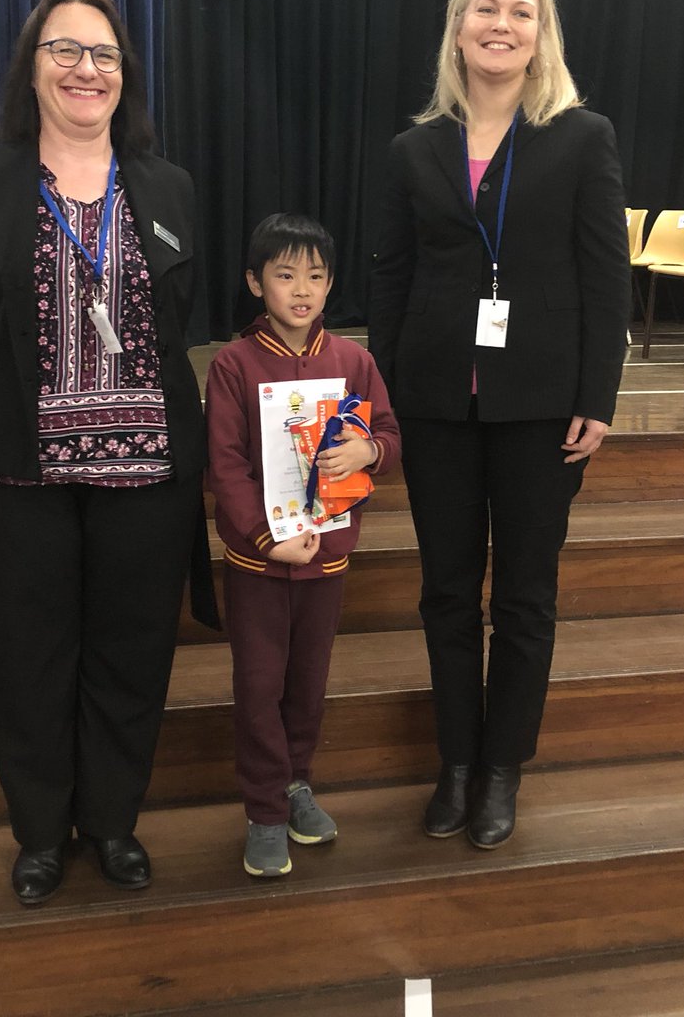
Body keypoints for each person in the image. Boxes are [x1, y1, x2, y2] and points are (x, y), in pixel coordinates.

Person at [0, 0, 217, 905]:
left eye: (105, 56)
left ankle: (113, 822)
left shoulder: (167, 187)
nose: (87, 70)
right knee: (24, 658)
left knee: (131, 654)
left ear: (124, 76)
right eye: (66, 51)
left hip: (146, 476)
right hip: (14, 472)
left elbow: (178, 319)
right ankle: (42, 834)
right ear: (33, 66)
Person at [368, 0, 630, 849]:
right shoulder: (414, 149)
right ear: (460, 27)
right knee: (446, 595)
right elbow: (393, 278)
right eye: (486, 8)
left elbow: (605, 275)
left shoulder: (581, 137)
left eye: (521, 12)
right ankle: (455, 764)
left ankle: (503, 769)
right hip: (438, 404)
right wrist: (387, 396)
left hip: (542, 406)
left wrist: (599, 395)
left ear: (539, 35)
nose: (502, 23)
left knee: (524, 597)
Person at [206, 213, 400, 877]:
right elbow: (225, 466)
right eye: (285, 275)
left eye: (315, 277)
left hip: (328, 557)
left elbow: (391, 441)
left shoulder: (354, 361)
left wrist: (369, 449)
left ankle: (295, 786)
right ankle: (262, 810)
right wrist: (263, 537)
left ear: (330, 285)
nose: (301, 290)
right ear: (255, 282)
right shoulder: (234, 364)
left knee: (307, 684)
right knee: (258, 684)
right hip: (259, 563)